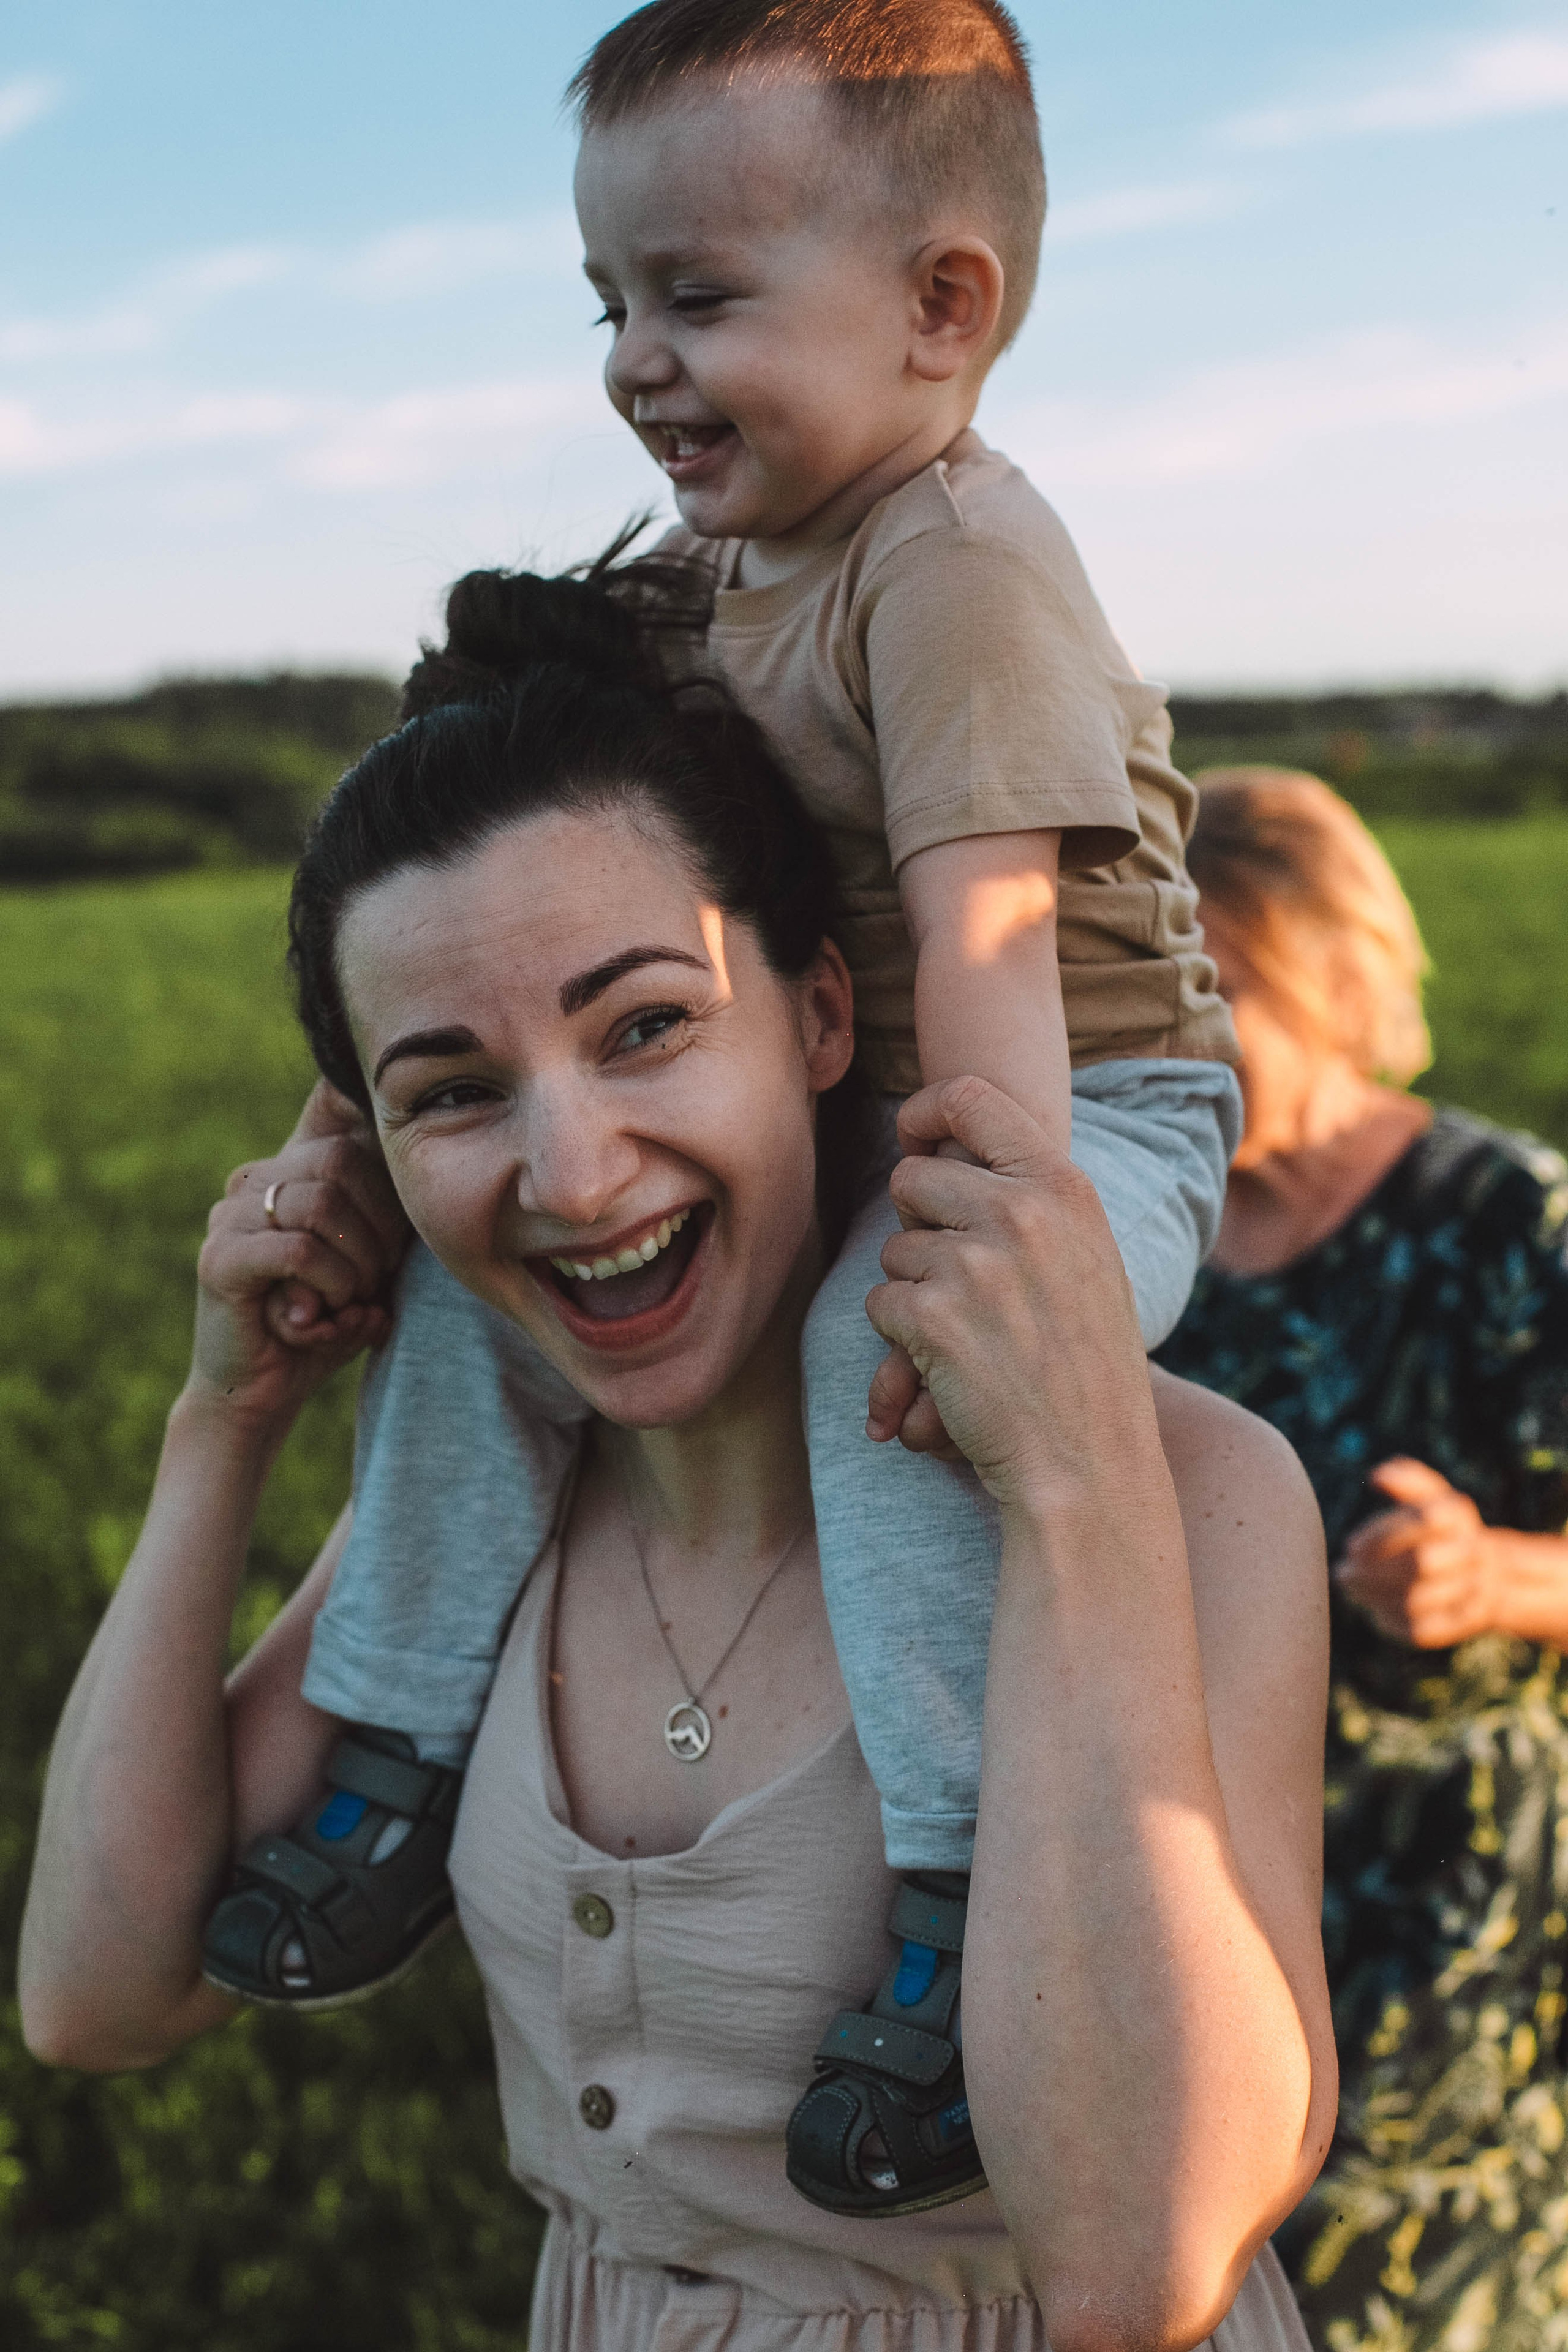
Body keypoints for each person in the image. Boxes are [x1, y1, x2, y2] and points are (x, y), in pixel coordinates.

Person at [20, 570, 1335, 2350]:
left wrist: (1069, 1470)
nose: (570, 1174)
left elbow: (1139, 2267)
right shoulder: (490, 1506)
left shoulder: (1189, 1501)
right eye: (453, 1089)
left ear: (817, 1021)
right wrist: (221, 1426)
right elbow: (103, 1996)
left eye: (645, 1026)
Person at [199, 0, 1246, 2192]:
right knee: (501, 1324)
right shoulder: (740, 573)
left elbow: (988, 956)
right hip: (887, 1095)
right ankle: (392, 1745)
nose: (632, 363)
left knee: (898, 1356)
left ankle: (959, 1910)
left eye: (695, 299)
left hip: (1087, 1107)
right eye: (609, 304)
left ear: (943, 308)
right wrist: (357, 1144)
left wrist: (990, 1271)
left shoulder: (952, 564)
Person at [1155, 768, 1568, 2351]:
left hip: (1437, 1923)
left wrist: (1495, 1581)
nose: (1171, 1046)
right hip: (1197, 1886)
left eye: (1219, 992)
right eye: (1141, 996)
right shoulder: (1149, 1247)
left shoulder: (1505, 1225)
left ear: (1333, 980)